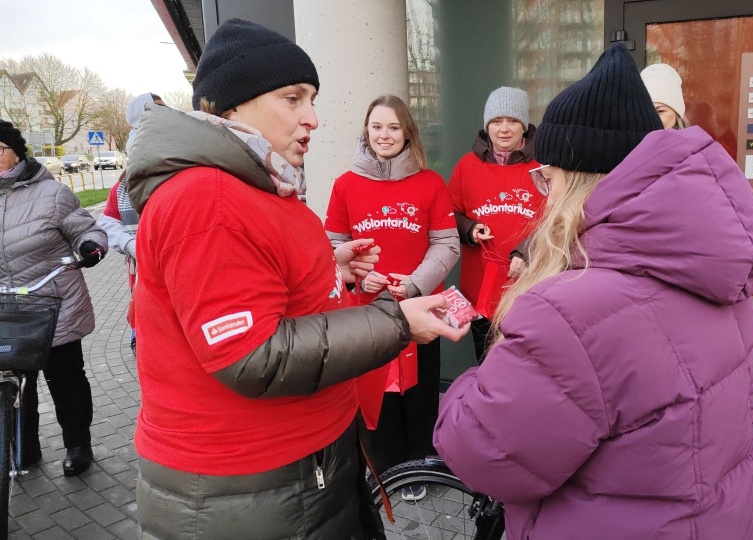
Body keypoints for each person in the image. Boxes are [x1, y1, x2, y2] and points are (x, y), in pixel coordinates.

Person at [126, 19, 467, 539]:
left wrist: (330, 269)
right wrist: (397, 322)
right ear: (232, 107)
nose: (313, 118)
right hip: (250, 486)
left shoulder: (255, 187)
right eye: (293, 99)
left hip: (296, 473)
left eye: (312, 99)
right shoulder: (208, 199)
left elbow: (266, 287)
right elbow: (252, 354)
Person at [434, 44, 753, 539]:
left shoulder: (569, 311)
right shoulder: (724, 277)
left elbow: (484, 452)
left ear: (576, 183)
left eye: (548, 179)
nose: (545, 195)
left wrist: (475, 382)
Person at [325, 94, 460, 499]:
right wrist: (357, 278)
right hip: (366, 311)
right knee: (375, 390)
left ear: (408, 133)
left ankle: (419, 463)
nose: (384, 135)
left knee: (419, 393)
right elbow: (332, 245)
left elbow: (447, 244)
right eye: (377, 126)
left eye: (394, 127)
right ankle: (384, 467)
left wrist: (415, 283)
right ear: (366, 131)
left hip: (420, 303)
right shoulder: (345, 185)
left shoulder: (431, 182)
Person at [0, 120, 107, 476]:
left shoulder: (52, 193)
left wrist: (90, 247)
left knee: (65, 380)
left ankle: (78, 445)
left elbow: (86, 229)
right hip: (9, 309)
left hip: (53, 304)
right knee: (16, 384)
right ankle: (23, 448)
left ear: (17, 152)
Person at [448, 86, 545, 361]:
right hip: (481, 289)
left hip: (529, 287)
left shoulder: (543, 167)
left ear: (524, 125)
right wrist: (469, 229)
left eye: (512, 120)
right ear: (486, 125)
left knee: (526, 365)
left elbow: (558, 219)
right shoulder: (466, 166)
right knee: (487, 363)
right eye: (496, 121)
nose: (504, 129)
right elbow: (448, 215)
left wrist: (527, 251)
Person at [97, 92, 166, 354]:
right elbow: (108, 221)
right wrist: (132, 245)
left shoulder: (185, 170)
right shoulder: (124, 187)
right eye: (154, 110)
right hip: (143, 276)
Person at [640, 63, 686, 129]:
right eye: (643, 112)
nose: (650, 119)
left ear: (677, 113)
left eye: (659, 111)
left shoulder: (695, 135)